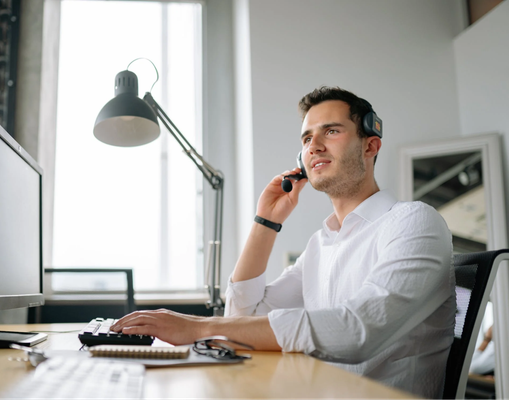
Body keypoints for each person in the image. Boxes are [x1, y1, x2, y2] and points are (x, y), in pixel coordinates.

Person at [111, 86, 456, 398]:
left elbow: (357, 332)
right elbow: (243, 316)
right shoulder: (322, 244)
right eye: (307, 139)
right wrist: (266, 222)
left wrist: (198, 327)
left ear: (370, 145)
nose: (314, 145)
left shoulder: (413, 222)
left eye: (331, 131)